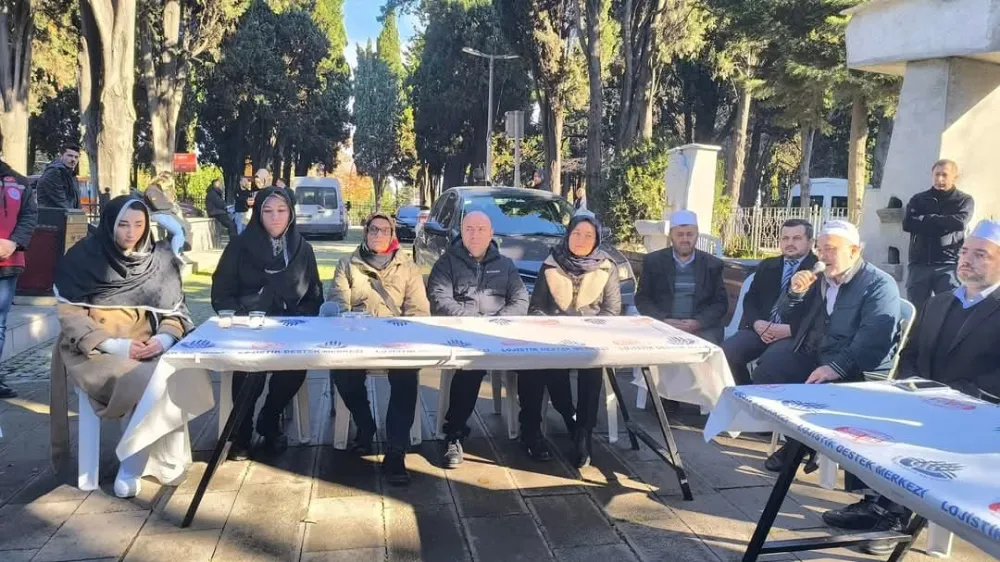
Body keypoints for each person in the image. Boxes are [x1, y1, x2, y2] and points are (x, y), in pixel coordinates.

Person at [820, 220, 1000, 555]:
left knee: (925, 433)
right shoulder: (940, 301)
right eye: (964, 252)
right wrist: (912, 385)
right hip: (925, 397)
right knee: (869, 414)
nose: (967, 259)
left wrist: (953, 397)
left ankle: (896, 518)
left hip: (977, 411)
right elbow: (910, 353)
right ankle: (873, 501)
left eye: (981, 254)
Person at [53, 196, 193, 497]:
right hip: (94, 350)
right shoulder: (84, 257)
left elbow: (176, 313)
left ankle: (134, 464)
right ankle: (131, 466)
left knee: (180, 374)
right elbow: (70, 315)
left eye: (139, 225)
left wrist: (163, 340)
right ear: (109, 224)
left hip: (147, 345)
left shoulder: (160, 259)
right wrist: (116, 346)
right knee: (144, 378)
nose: (131, 233)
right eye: (123, 225)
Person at [760, 220, 900, 471]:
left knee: (817, 387)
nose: (823, 256)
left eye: (831, 249)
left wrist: (836, 367)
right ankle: (800, 439)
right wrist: (795, 293)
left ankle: (798, 447)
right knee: (769, 369)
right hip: (817, 352)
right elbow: (787, 314)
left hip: (857, 366)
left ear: (854, 251)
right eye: (820, 249)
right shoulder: (821, 278)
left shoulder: (878, 284)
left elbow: (874, 340)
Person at [211, 187, 324, 459]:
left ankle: (270, 419)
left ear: (291, 214)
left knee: (295, 367)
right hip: (248, 326)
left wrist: (298, 320)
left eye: (281, 210)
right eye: (268, 211)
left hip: (289, 327)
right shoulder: (239, 246)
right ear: (258, 214)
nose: (275, 217)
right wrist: (242, 317)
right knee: (250, 370)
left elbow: (314, 295)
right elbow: (222, 291)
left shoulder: (302, 249)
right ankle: (241, 433)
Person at [326, 213, 430, 486]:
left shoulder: (409, 267)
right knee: (343, 374)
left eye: (385, 230)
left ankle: (396, 450)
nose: (379, 234)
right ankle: (365, 424)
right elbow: (339, 305)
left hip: (398, 341)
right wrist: (353, 327)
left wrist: (403, 337)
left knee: (406, 377)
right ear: (365, 233)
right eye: (374, 229)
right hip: (357, 339)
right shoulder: (347, 265)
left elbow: (419, 311)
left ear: (393, 234)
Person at [427, 210, 529, 468]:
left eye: (481, 229)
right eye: (469, 229)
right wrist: (472, 322)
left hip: (501, 334)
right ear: (461, 232)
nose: (475, 235)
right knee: (470, 368)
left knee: (534, 365)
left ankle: (531, 430)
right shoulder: (446, 263)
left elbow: (520, 300)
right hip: (464, 336)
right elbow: (439, 299)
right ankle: (454, 433)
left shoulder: (505, 264)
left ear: (491, 233)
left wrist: (497, 322)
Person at [522, 213, 621, 467]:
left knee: (592, 368)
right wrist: (553, 327)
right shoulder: (551, 263)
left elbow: (612, 310)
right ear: (568, 235)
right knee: (540, 367)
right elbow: (536, 307)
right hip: (555, 336)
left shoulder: (607, 267)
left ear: (596, 239)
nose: (581, 240)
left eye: (588, 235)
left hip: (591, 336)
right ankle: (563, 418)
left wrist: (588, 330)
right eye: (576, 233)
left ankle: (584, 433)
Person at [722, 219, 818, 385]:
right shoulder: (768, 265)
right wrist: (757, 323)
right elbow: (750, 299)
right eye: (785, 238)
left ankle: (759, 398)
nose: (790, 243)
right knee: (724, 353)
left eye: (796, 238)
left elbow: (818, 311)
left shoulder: (818, 270)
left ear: (810, 242)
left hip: (794, 335)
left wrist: (791, 330)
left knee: (768, 367)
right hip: (761, 330)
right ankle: (742, 393)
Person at [634, 209, 728, 343]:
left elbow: (720, 303)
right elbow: (642, 299)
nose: (685, 239)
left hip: (701, 328)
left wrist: (698, 322)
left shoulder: (712, 264)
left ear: (697, 235)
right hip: (661, 325)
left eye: (690, 234)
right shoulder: (653, 261)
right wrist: (663, 320)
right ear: (671, 236)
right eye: (679, 234)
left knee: (705, 348)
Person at [902, 159, 973, 311]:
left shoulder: (963, 200)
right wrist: (944, 223)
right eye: (937, 174)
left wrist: (927, 219)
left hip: (948, 264)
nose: (940, 179)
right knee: (916, 311)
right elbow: (908, 224)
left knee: (950, 310)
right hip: (919, 264)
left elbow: (960, 223)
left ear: (955, 177)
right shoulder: (918, 199)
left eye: (945, 175)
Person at [0, 140, 38, 398]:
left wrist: (13, 242)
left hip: (8, 262)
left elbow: (29, 215)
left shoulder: (19, 182)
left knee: (0, 324)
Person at [143, 173, 191, 257]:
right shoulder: (152, 190)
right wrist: (171, 205)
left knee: (184, 227)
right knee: (178, 232)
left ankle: (179, 251)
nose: (168, 187)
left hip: (164, 213)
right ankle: (175, 256)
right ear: (162, 182)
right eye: (167, 185)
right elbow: (158, 205)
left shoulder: (158, 190)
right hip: (156, 214)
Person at [36, 144, 81, 209]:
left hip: (67, 214)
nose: (73, 159)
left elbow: (76, 202)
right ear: (61, 156)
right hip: (53, 214)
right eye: (70, 156)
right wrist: (75, 213)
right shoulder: (54, 172)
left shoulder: (71, 175)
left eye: (76, 157)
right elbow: (61, 201)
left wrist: (79, 213)